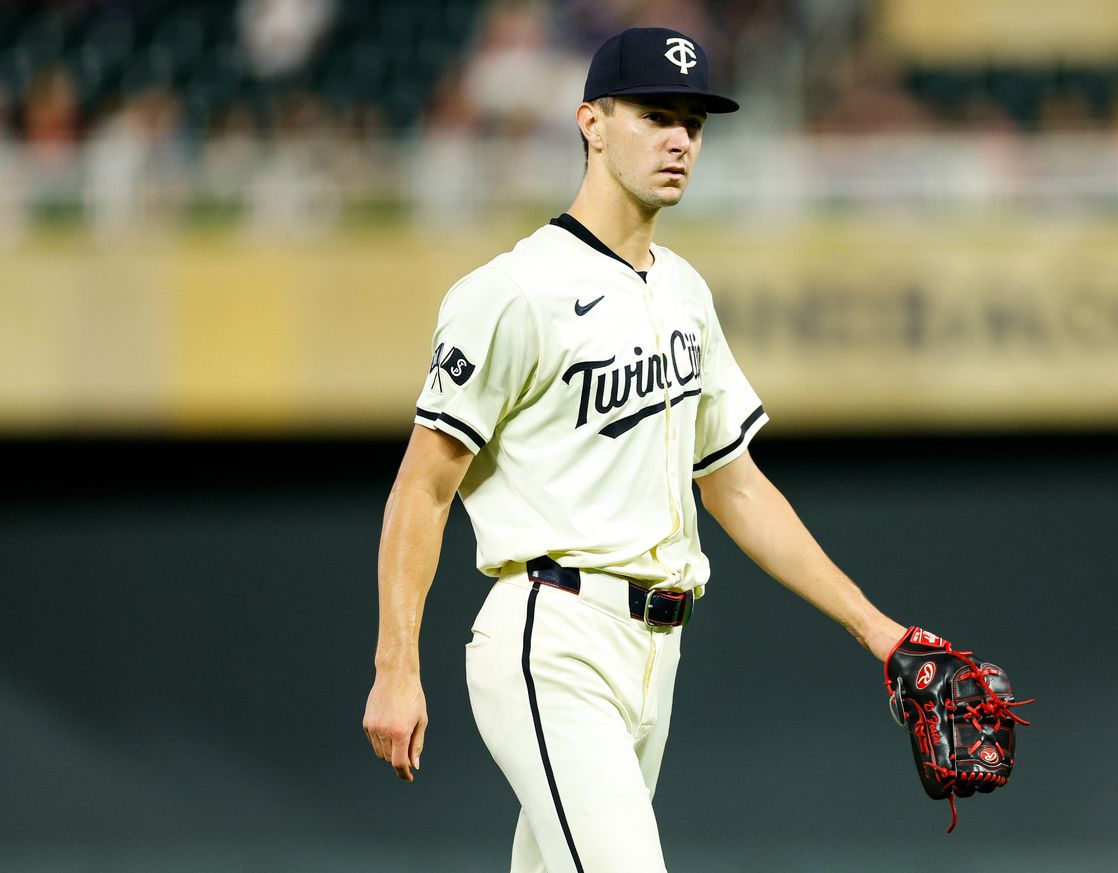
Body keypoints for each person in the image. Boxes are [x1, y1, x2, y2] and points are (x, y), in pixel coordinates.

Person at [362, 27, 907, 873]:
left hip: (658, 651)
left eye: (694, 121)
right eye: (656, 115)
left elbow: (735, 485)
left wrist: (880, 632)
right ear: (592, 122)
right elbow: (420, 490)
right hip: (554, 634)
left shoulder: (684, 291)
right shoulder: (512, 292)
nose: (681, 139)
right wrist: (396, 664)